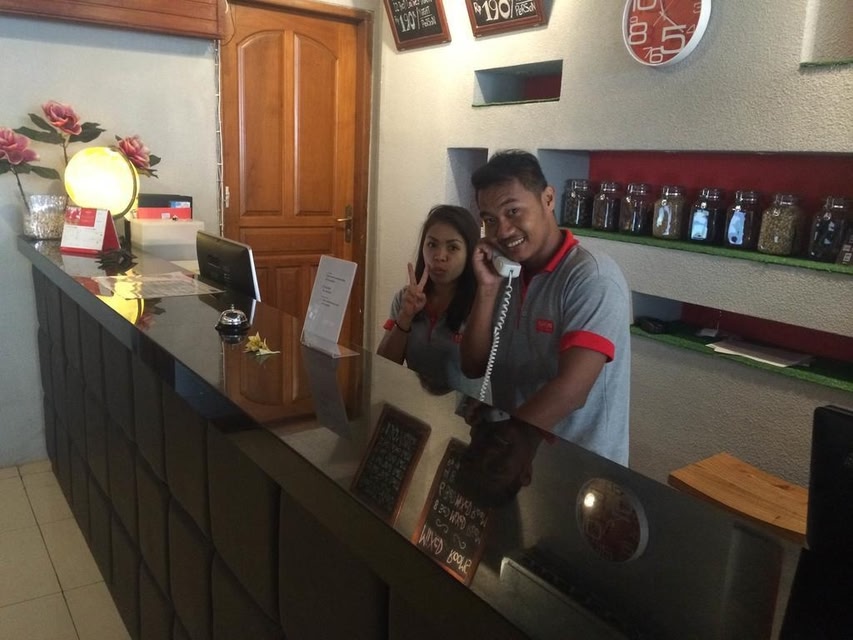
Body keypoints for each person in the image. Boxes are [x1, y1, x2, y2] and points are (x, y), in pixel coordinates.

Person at [460, 150, 631, 465]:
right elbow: (472, 366)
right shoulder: (505, 272)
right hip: (519, 456)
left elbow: (571, 390)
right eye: (490, 220)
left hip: (578, 467)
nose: (503, 231)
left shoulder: (593, 277)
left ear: (548, 199)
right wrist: (486, 289)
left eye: (513, 211)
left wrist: (501, 437)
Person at [377, 204, 481, 395]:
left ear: (470, 253)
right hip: (417, 404)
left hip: (464, 410)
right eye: (432, 245)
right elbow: (385, 366)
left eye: (453, 247)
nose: (440, 256)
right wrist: (405, 317)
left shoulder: (482, 305)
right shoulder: (406, 297)